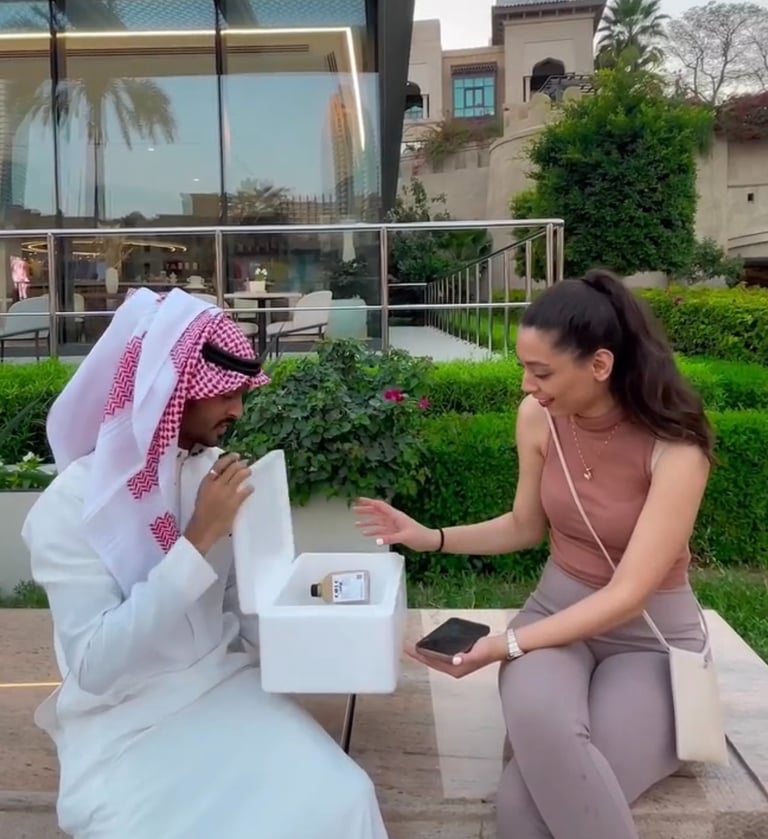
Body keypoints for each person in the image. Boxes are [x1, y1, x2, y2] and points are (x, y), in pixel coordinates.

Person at [354, 269, 713, 839]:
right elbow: (524, 526)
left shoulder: (677, 450)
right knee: (544, 726)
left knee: (524, 803)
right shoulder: (538, 418)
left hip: (648, 640)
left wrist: (505, 645)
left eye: (542, 372)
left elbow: (629, 594)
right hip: (554, 616)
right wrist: (431, 536)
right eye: (525, 367)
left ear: (600, 364)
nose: (527, 385)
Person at [23, 288, 388, 839]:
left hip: (223, 687)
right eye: (225, 393)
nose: (238, 409)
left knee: (345, 798)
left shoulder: (213, 473)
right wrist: (197, 538)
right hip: (125, 724)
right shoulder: (73, 507)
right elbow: (94, 666)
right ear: (170, 390)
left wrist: (339, 625)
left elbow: (246, 606)